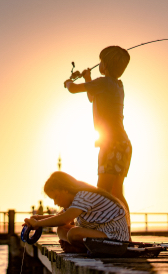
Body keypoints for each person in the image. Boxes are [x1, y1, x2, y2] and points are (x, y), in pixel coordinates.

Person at [63, 46, 132, 213]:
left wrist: (68, 82)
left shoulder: (103, 82)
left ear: (106, 65)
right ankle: (125, 231)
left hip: (111, 143)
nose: (99, 64)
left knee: (103, 191)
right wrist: (88, 78)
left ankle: (104, 227)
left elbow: (73, 89)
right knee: (117, 192)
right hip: (123, 143)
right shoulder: (117, 85)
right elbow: (92, 97)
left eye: (101, 61)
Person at [24, 171, 129, 253]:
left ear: (65, 189)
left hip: (115, 240)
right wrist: (37, 219)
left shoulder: (83, 196)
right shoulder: (74, 202)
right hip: (102, 236)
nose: (55, 203)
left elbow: (65, 219)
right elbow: (59, 217)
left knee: (73, 233)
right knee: (61, 230)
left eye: (56, 197)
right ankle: (81, 248)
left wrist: (38, 224)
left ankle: (81, 249)